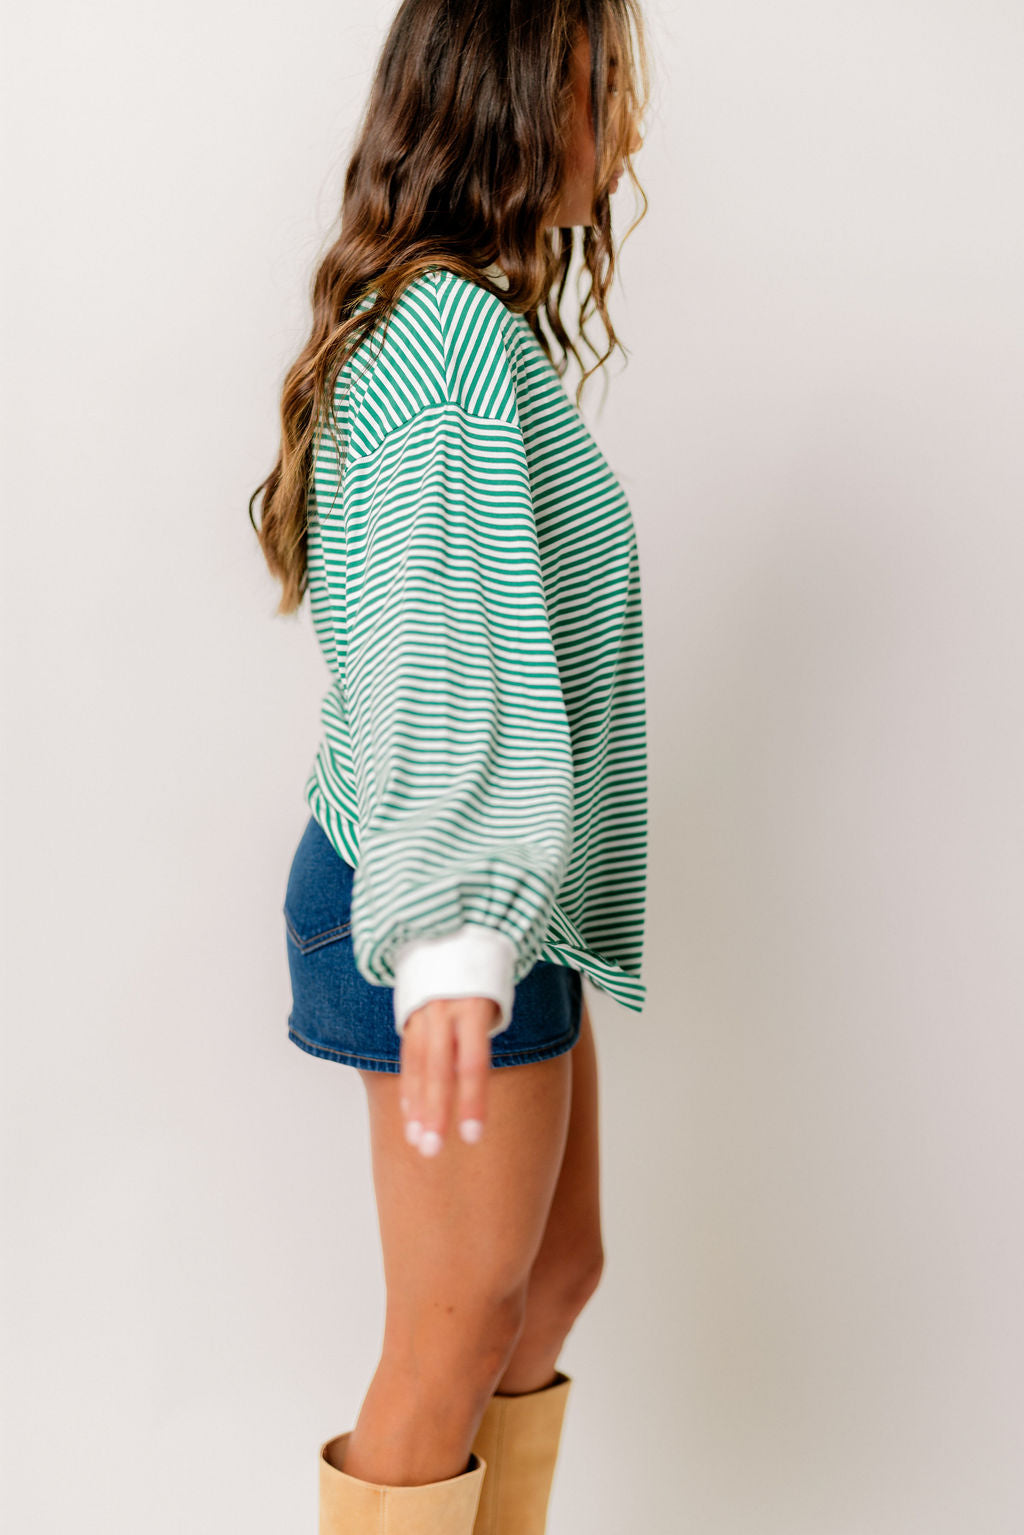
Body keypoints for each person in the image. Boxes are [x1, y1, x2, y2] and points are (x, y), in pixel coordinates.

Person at [250, 2, 650, 1529]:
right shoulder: (448, 337)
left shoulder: (447, 319)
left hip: (480, 873)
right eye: (604, 87)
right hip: (439, 879)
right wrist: (458, 940)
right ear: (521, 97)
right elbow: (441, 640)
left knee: (549, 1282)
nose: (627, 128)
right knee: (455, 1329)